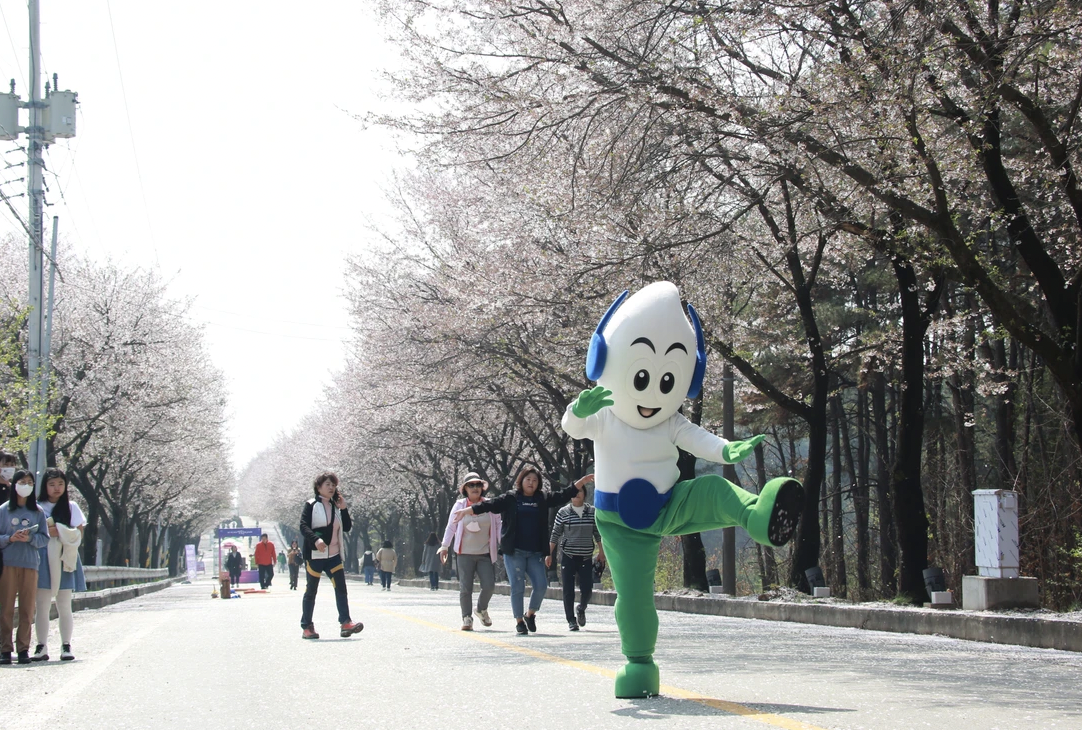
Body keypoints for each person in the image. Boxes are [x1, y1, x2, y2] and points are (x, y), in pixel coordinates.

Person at [453, 466, 590, 635]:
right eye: (528, 480)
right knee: (517, 586)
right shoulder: (511, 498)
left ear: (538, 483)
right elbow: (490, 504)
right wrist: (468, 510)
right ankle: (519, 620)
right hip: (514, 551)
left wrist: (582, 482)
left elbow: (563, 495)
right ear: (521, 481)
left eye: (534, 480)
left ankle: (530, 614)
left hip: (534, 552)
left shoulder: (542, 498)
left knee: (540, 585)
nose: (531, 483)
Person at [298, 471, 363, 639]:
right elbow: (303, 526)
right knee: (311, 591)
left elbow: (347, 527)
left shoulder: (336, 507)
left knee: (341, 588)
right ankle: (307, 626)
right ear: (318, 487)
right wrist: (316, 540)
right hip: (315, 556)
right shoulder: (311, 504)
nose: (331, 488)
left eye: (333, 485)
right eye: (327, 484)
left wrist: (344, 508)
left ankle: (345, 622)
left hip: (333, 556)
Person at [31, 467, 87, 661]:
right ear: (45, 486)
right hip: (41, 558)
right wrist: (50, 532)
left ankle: (66, 645)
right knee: (42, 604)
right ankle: (41, 646)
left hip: (65, 558)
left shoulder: (71, 507)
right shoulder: (36, 507)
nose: (56, 488)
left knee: (64, 604)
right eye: (52, 484)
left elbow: (78, 534)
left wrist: (60, 531)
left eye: (60, 484)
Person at [439, 472, 502, 630]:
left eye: (478, 485)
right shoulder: (460, 505)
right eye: (471, 485)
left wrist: (505, 544)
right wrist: (445, 546)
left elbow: (498, 525)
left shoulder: (489, 504)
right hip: (464, 553)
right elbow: (451, 526)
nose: (475, 488)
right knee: (465, 587)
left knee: (489, 585)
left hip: (485, 553)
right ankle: (466, 617)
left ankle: (481, 609)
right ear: (465, 488)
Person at [0, 469, 49, 664]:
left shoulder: (37, 512)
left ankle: (23, 649)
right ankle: (5, 649)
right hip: (8, 563)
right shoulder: (4, 510)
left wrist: (29, 538)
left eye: (29, 482)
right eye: (22, 482)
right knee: (6, 608)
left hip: (30, 564)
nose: (25, 485)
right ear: (14, 485)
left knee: (28, 608)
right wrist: (10, 538)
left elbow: (44, 538)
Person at [547, 483, 605, 631]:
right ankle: (571, 620)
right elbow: (555, 534)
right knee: (568, 589)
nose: (577, 494)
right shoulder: (563, 512)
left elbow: (597, 533)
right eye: (574, 492)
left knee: (587, 588)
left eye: (580, 491)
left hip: (586, 556)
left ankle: (581, 607)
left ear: (584, 494)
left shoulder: (592, 511)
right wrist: (549, 554)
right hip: (568, 556)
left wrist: (601, 551)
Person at [0, 451, 18, 581]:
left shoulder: (14, 490)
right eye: (6, 464)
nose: (9, 468)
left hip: (10, 540)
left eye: (12, 464)